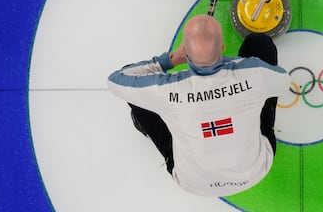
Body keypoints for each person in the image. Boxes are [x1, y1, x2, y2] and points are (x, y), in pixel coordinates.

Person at [107, 15, 291, 196]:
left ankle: (145, 126)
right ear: (223, 47)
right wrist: (232, 65)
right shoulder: (254, 73)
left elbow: (116, 81)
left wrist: (171, 60)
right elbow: (284, 81)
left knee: (139, 91)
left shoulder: (166, 88)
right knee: (260, 44)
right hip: (254, 171)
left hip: (194, 182)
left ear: (185, 51)